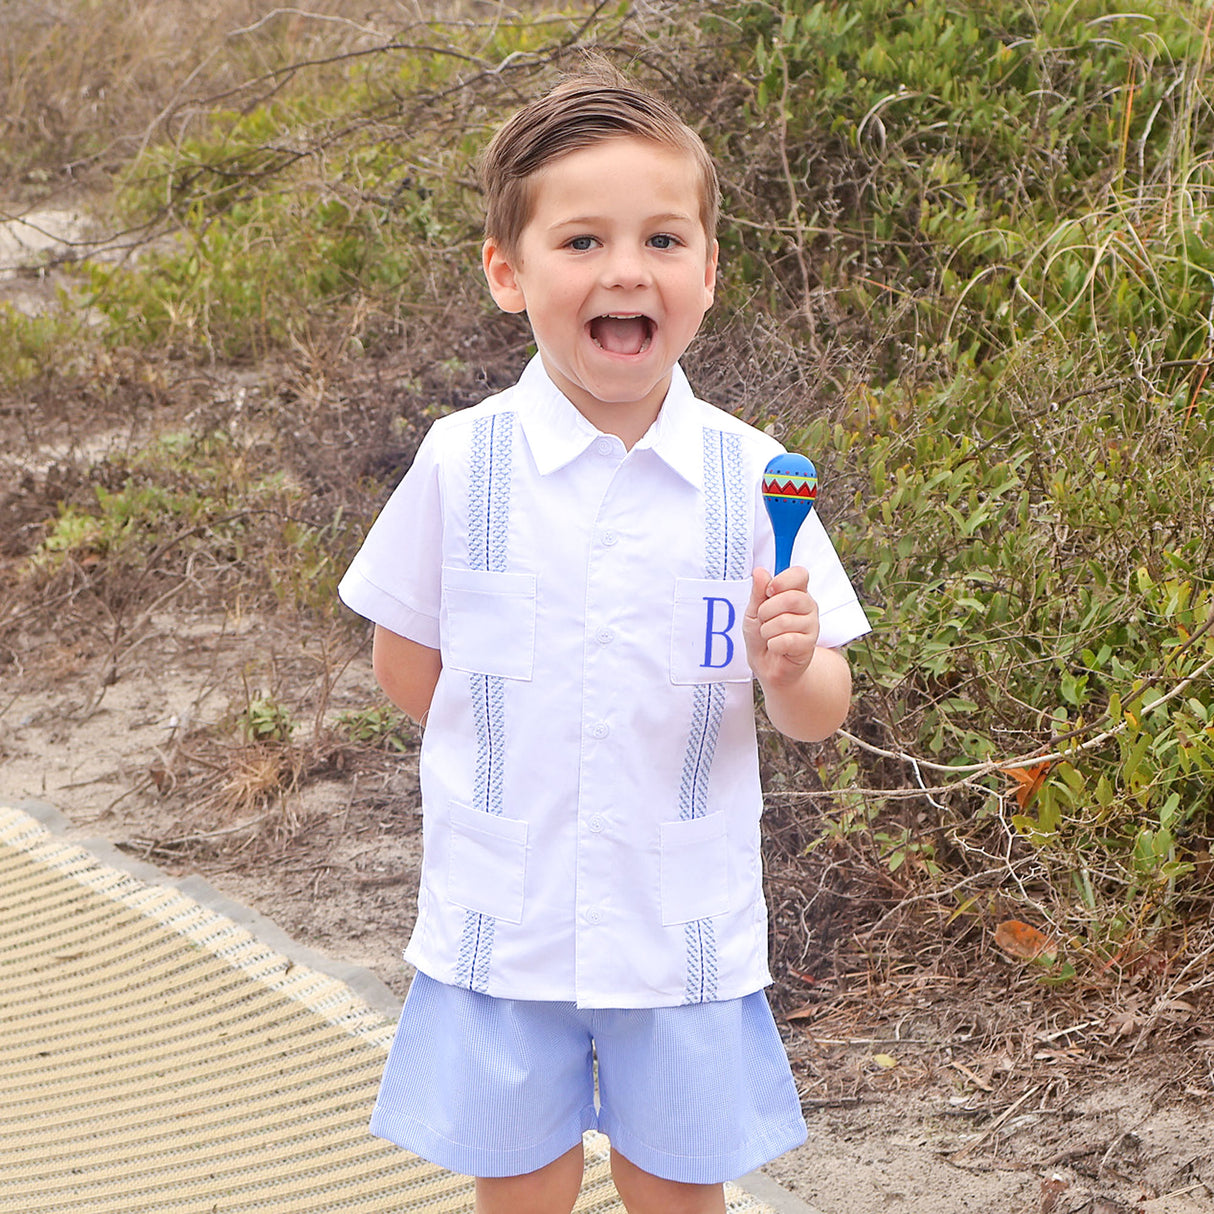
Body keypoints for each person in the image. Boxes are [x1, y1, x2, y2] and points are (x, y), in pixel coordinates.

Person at [338, 58, 870, 1214]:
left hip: (676, 921)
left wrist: (790, 662)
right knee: (518, 1180)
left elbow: (816, 711)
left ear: (708, 272)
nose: (625, 269)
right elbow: (407, 661)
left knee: (677, 1184)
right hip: (504, 904)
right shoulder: (460, 458)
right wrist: (512, 754)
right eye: (579, 242)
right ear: (505, 273)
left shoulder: (754, 477)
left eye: (662, 241)